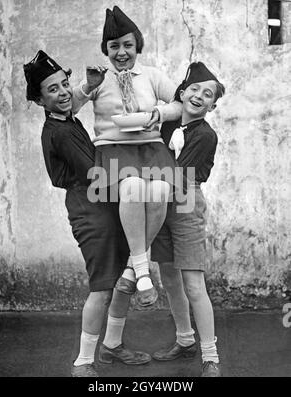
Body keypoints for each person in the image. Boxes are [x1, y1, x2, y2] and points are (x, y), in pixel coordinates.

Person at [23, 50, 151, 378]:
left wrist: (87, 86)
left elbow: (95, 161)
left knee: (124, 277)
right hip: (90, 211)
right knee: (102, 286)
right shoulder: (59, 133)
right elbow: (97, 172)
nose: (64, 92)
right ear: (39, 100)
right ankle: (83, 362)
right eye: (53, 89)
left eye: (64, 84)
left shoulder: (68, 121)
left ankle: (112, 346)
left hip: (103, 205)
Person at [72, 5, 182, 308]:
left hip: (151, 147)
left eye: (127, 45)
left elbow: (181, 104)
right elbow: (68, 108)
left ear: (137, 46)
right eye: (114, 46)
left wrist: (159, 112)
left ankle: (134, 268)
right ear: (106, 49)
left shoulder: (151, 75)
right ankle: (145, 272)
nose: (121, 52)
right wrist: (86, 87)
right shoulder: (99, 78)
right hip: (113, 150)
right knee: (132, 188)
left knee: (159, 190)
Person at [151, 61, 225, 377]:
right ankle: (185, 340)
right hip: (159, 200)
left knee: (193, 283)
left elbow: (179, 176)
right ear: (183, 93)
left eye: (207, 94)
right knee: (169, 277)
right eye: (194, 89)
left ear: (213, 104)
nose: (199, 96)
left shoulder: (205, 135)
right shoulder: (167, 125)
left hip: (184, 200)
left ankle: (211, 357)